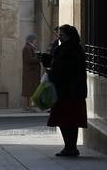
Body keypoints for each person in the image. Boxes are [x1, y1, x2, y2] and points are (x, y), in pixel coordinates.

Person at [40, 24, 87, 157]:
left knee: (64, 120)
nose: (59, 37)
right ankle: (71, 147)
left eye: (61, 35)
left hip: (65, 91)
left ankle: (69, 147)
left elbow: (60, 69)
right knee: (72, 121)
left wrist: (50, 70)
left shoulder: (66, 50)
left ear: (68, 36)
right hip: (75, 91)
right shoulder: (77, 49)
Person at [21, 33, 41, 109]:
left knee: (33, 89)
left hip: (33, 73)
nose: (36, 41)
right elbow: (29, 59)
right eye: (35, 40)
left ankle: (31, 105)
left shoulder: (32, 47)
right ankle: (27, 106)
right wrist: (39, 58)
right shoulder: (27, 48)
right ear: (31, 40)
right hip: (30, 73)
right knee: (28, 90)